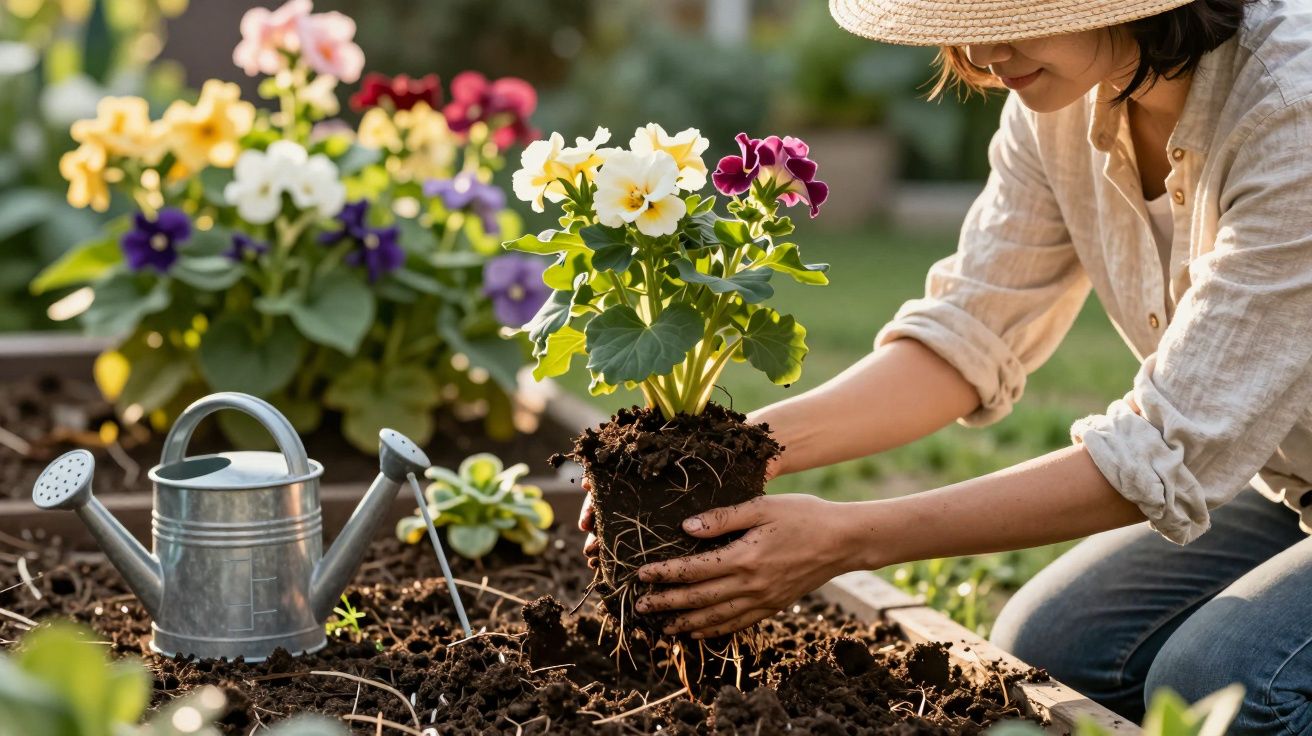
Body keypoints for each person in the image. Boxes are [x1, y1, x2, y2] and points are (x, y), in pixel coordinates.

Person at [577, 0, 1312, 731]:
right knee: (1052, 647)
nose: (985, 56)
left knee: (1226, 680)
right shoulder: (1061, 102)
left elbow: (1165, 445)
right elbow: (968, 330)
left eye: (1008, 17)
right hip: (1286, 478)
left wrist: (850, 537)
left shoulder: (1292, 108)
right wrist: (725, 460)